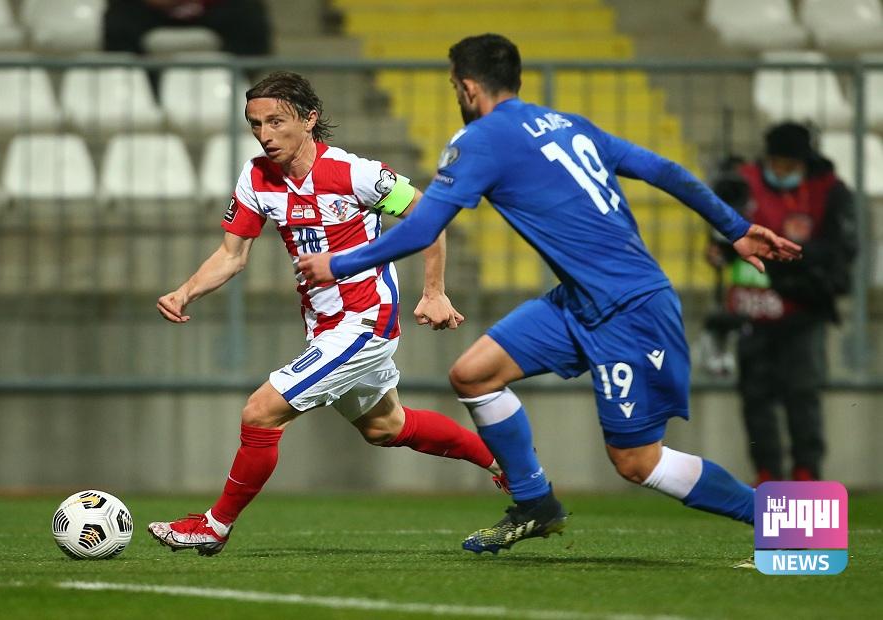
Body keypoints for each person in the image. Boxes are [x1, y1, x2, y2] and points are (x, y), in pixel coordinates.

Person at [299, 34, 803, 556]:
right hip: (580, 300)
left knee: (637, 462)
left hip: (629, 308)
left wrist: (338, 263)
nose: (456, 95)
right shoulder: (568, 124)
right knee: (473, 374)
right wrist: (735, 227)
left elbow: (424, 227)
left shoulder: (481, 140)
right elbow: (663, 170)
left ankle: (789, 526)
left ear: (468, 87)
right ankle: (535, 503)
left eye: (454, 86)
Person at [147, 71, 504, 556]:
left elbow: (429, 217)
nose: (265, 134)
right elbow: (231, 255)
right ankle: (505, 463)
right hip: (324, 328)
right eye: (256, 124)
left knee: (261, 412)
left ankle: (215, 525)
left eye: (276, 121)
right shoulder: (256, 177)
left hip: (365, 322)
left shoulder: (355, 174)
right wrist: (185, 292)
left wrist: (434, 291)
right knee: (386, 427)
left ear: (309, 119)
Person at [706, 122, 856, 486]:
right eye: (777, 163)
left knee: (802, 394)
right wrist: (717, 251)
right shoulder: (742, 184)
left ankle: (806, 473)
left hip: (801, 312)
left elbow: (840, 250)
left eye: (790, 165)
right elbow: (722, 238)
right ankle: (767, 473)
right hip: (751, 314)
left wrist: (789, 259)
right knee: (755, 399)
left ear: (804, 163)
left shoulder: (827, 191)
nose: (782, 171)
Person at [104, 0, 272, 58]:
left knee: (248, 14)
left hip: (213, 11)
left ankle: (237, 83)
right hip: (150, 13)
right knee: (120, 18)